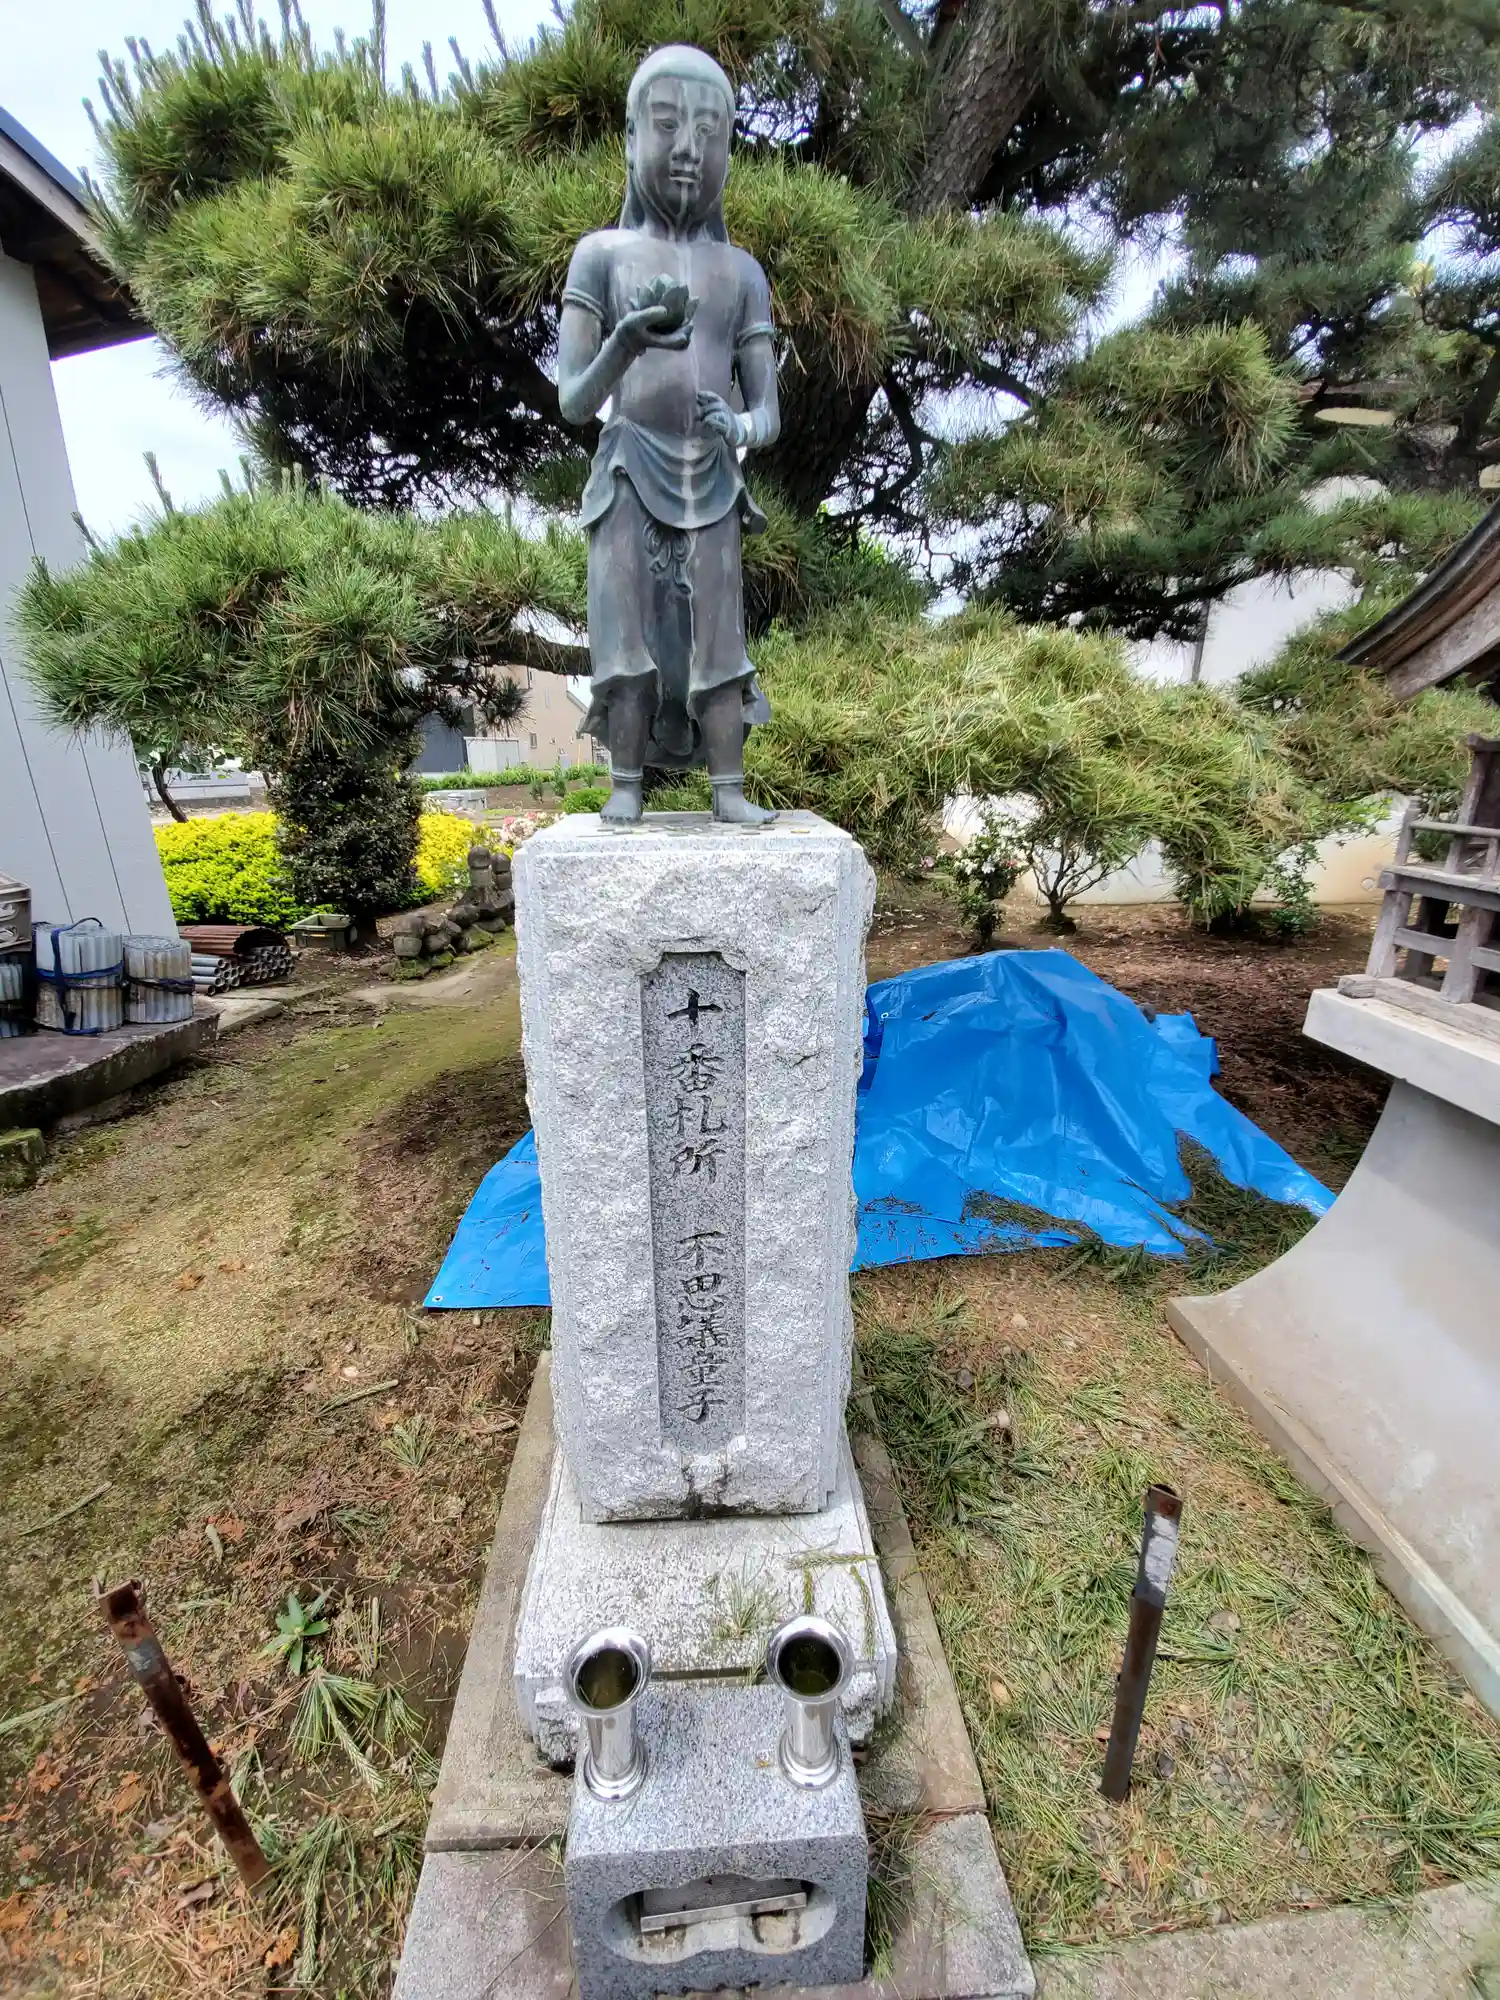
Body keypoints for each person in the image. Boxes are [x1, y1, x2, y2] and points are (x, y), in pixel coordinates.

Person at [556, 43, 780, 825]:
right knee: (624, 633)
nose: (688, 148)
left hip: (712, 473)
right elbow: (574, 400)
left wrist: (740, 423)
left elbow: (769, 411)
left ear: (728, 153)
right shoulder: (600, 257)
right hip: (626, 465)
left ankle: (729, 789)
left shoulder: (742, 273)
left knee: (720, 637)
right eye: (666, 125)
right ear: (630, 140)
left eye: (709, 131)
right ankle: (626, 781)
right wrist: (624, 343)